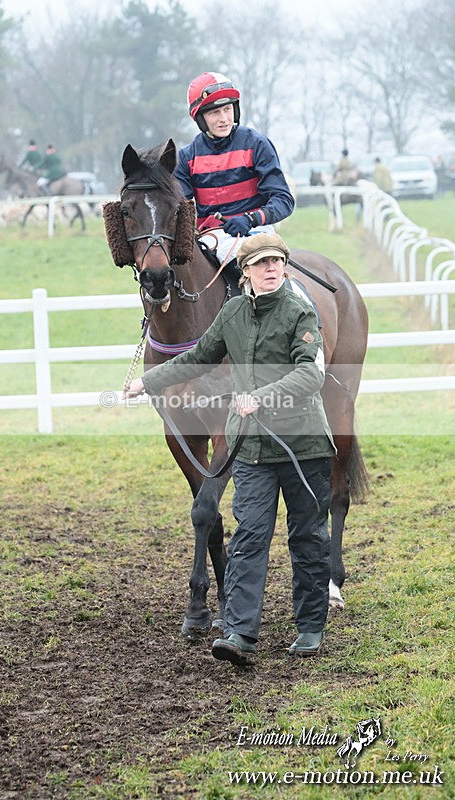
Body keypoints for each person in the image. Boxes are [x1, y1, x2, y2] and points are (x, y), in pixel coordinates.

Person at [124, 232, 335, 666]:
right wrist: (147, 382)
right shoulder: (234, 313)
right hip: (253, 448)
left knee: (307, 538)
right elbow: (198, 356)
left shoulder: (301, 312)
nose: (271, 269)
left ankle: (310, 627)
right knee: (248, 538)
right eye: (261, 264)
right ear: (246, 274)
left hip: (303, 445)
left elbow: (310, 376)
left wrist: (262, 396)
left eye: (277, 261)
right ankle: (239, 633)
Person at [173, 72, 295, 291]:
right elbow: (180, 210)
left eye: (227, 109)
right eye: (214, 113)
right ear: (200, 118)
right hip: (211, 239)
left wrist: (250, 218)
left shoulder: (257, 144)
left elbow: (283, 200)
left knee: (275, 287)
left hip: (259, 233)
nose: (224, 119)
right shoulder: (186, 157)